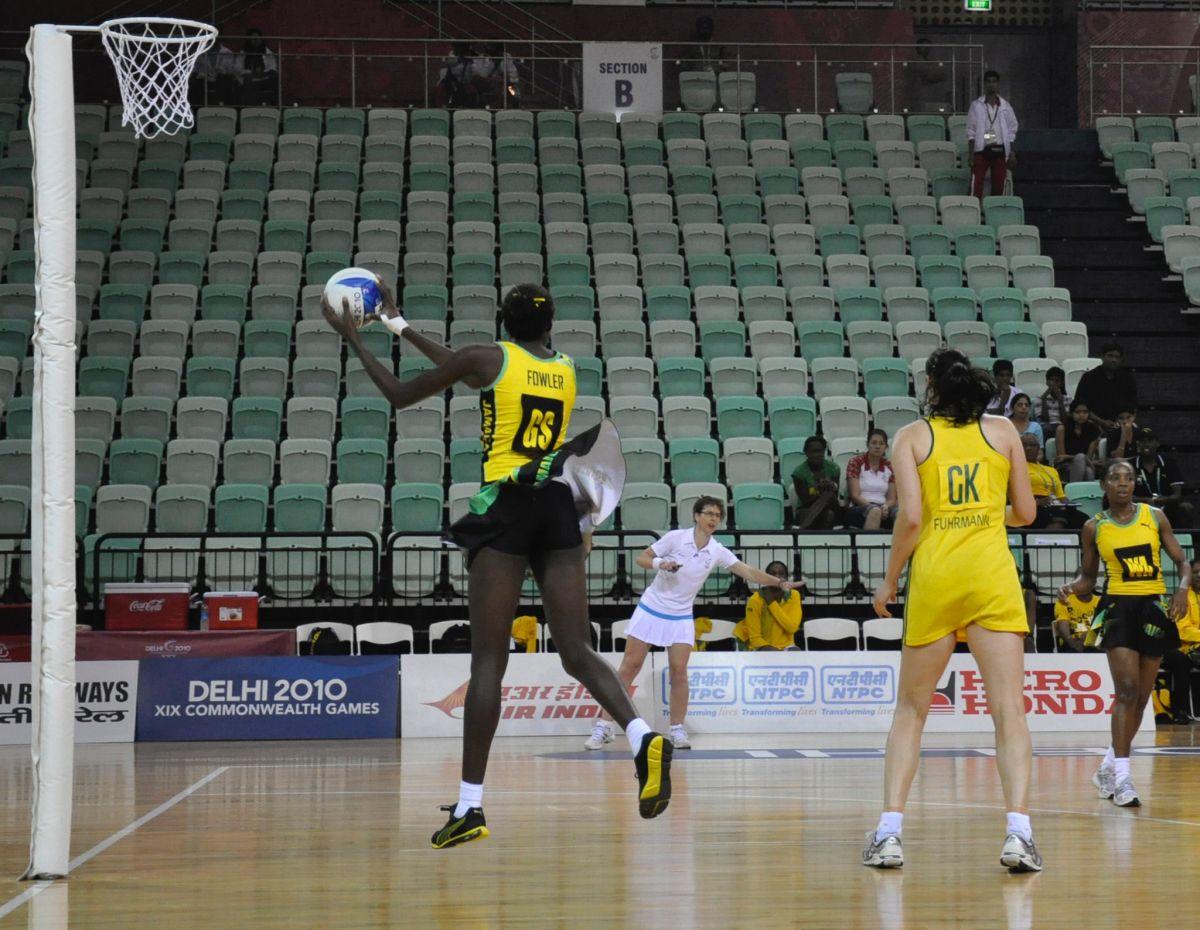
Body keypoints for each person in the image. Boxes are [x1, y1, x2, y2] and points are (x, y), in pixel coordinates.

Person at [322, 281, 673, 847]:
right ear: (548, 324)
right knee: (577, 650)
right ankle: (640, 737)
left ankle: (470, 807)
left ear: (502, 323)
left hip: (508, 502)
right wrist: (396, 324)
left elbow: (401, 393)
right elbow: (464, 367)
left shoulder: (487, 357)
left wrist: (354, 339)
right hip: (559, 502)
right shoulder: (563, 367)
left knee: (488, 664)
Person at [863, 348, 1042, 873]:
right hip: (991, 577)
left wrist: (891, 578)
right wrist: (986, 515)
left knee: (911, 712)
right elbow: (1027, 513)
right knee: (1009, 711)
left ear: (931, 386)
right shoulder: (1005, 432)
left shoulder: (912, 437)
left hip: (938, 578)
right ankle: (1019, 835)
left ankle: (890, 834)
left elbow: (912, 519)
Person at [584, 498, 800, 751]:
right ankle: (603, 727)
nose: (713, 518)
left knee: (678, 672)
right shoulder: (676, 538)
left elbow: (749, 572)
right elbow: (642, 558)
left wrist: (779, 583)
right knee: (629, 667)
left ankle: (676, 730)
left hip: (681, 615)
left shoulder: (717, 550)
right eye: (709, 513)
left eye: (718, 515)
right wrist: (660, 563)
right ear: (696, 516)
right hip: (652, 608)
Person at [1058, 460, 1191, 807]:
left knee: (1142, 700)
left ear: (1134, 485)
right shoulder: (1093, 527)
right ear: (1104, 485)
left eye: (1128, 478)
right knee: (1127, 692)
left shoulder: (1154, 516)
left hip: (1153, 608)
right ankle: (1123, 778)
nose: (1123, 483)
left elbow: (1182, 562)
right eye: (1115, 478)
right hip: (1117, 608)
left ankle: (1107, 766)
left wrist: (1181, 590)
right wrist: (1072, 587)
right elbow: (1088, 578)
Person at [967, 69, 1018, 200]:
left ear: (998, 84)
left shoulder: (1005, 106)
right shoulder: (976, 105)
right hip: (981, 149)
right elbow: (971, 131)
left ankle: (994, 214)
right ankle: (974, 212)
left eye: (994, 82)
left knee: (999, 186)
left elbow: (1012, 129)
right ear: (984, 84)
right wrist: (971, 153)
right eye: (988, 82)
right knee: (976, 184)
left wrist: (1011, 153)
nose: (991, 84)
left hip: (1000, 149)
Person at [1159, 559, 1200, 723]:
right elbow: (1182, 631)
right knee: (1179, 661)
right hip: (1182, 648)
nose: (1199, 575)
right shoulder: (1180, 598)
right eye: (1195, 572)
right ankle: (1180, 711)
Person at [1131, 427, 1195, 529]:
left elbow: (1177, 494)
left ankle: (1183, 541)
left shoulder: (1169, 463)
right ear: (1138, 444)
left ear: (1157, 444)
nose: (1146, 444)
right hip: (1140, 509)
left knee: (1186, 508)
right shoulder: (1130, 465)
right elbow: (1128, 496)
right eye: (1142, 441)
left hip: (1166, 507)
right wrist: (1144, 500)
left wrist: (1165, 499)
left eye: (1150, 441)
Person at [733, 560, 803, 651]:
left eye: (781, 574)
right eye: (772, 574)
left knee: (796, 653)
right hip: (760, 646)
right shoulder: (755, 600)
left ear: (786, 578)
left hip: (786, 646)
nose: (777, 577)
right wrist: (775, 652)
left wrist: (771, 603)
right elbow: (755, 639)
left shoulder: (794, 595)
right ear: (765, 577)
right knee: (771, 654)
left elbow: (792, 628)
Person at [1073, 342, 1139, 430]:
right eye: (1110, 356)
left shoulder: (1127, 379)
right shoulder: (1089, 377)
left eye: (1117, 357)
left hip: (1122, 424)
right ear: (1102, 356)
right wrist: (1101, 422)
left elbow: (1133, 407)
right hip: (1093, 423)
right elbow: (1081, 406)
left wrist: (1124, 422)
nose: (1114, 360)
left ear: (1121, 359)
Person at [845, 429, 898, 531]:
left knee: (901, 513)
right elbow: (855, 495)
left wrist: (886, 507)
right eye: (874, 443)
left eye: (881, 443)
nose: (877, 446)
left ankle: (900, 547)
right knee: (875, 512)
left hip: (883, 507)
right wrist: (875, 508)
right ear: (867, 445)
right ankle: (867, 546)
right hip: (859, 506)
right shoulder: (856, 462)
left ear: (886, 447)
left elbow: (892, 498)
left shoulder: (890, 466)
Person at [1022, 433, 1073, 530]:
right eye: (1024, 445)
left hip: (1053, 503)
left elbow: (1061, 496)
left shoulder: (1051, 470)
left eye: (1032, 445)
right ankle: (1052, 544)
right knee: (1055, 518)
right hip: (1032, 504)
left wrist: (1071, 505)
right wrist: (1037, 503)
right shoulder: (1015, 468)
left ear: (1038, 449)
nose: (1028, 448)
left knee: (1081, 518)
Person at [792, 435, 843, 529]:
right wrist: (818, 488)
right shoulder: (798, 472)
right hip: (806, 509)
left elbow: (834, 496)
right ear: (806, 453)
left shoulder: (834, 468)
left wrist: (830, 486)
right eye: (812, 451)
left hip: (831, 506)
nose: (816, 455)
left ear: (824, 452)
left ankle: (802, 529)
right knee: (828, 514)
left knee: (829, 495)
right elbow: (805, 499)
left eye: (819, 451)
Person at [1054, 400, 1101, 483]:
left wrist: (1076, 457)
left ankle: (1076, 493)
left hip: (1086, 464)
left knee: (1088, 470)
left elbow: (1088, 457)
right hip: (1065, 466)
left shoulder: (1094, 429)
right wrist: (1080, 457)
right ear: (1071, 413)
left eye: (1085, 412)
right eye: (1078, 412)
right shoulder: (1062, 429)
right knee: (1084, 462)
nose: (1081, 415)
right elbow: (1061, 457)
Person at [470, 43, 520, 108]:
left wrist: (505, 78)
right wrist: (492, 64)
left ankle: (511, 108)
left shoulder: (506, 57)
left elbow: (513, 74)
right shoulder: (482, 58)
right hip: (486, 83)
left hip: (504, 84)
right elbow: (481, 74)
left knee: (512, 90)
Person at [237, 28, 277, 105]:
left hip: (264, 79)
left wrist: (261, 75)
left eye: (257, 38)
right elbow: (237, 68)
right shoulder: (243, 53)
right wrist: (250, 74)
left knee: (274, 77)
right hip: (248, 79)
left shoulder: (267, 53)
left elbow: (273, 67)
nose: (255, 41)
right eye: (253, 39)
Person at [1053, 586, 1099, 652]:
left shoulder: (1100, 602)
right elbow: (1062, 627)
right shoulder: (1065, 601)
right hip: (1070, 642)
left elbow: (1102, 628)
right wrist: (1072, 643)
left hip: (1093, 643)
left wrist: (1090, 637)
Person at [434, 42, 476, 107]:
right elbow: (453, 67)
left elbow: (468, 77)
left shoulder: (469, 61)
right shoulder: (452, 57)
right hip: (450, 84)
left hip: (463, 85)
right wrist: (461, 59)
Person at [1035, 366, 1072, 435]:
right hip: (1047, 426)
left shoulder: (1068, 399)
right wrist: (1044, 400)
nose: (1054, 383)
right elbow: (1045, 420)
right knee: (1045, 428)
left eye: (1057, 381)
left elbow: (1065, 421)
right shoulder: (1039, 399)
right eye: (1051, 380)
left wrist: (1060, 400)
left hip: (1062, 426)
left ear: (1061, 383)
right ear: (1047, 382)